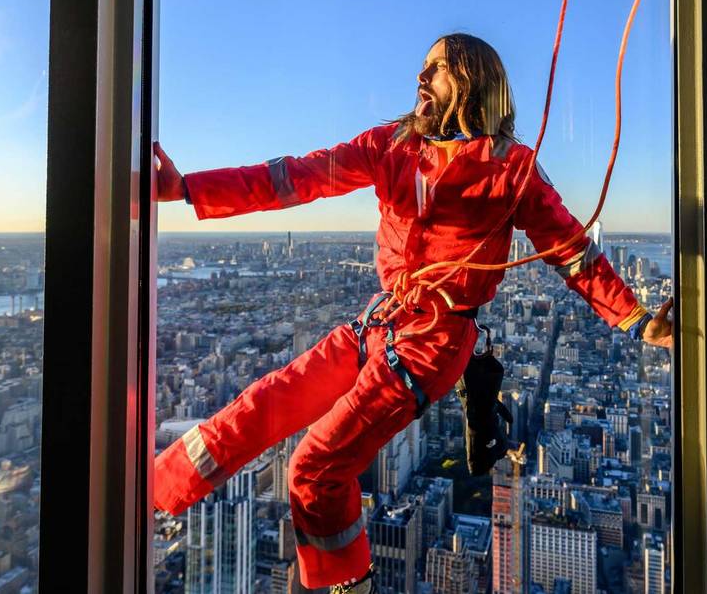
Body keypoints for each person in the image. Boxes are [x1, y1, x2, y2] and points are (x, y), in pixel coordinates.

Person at [152, 33, 673, 592]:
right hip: (381, 321)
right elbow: (297, 177)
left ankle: (349, 584)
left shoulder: (511, 169)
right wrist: (187, 189)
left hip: (435, 342)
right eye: (423, 67)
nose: (421, 77)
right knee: (262, 405)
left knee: (314, 466)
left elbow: (572, 251)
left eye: (437, 68)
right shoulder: (393, 146)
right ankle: (153, 492)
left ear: (471, 80)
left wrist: (636, 319)